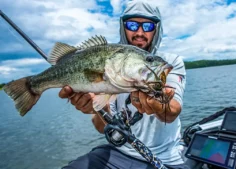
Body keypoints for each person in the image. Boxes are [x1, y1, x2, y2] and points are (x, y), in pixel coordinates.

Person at [60, 1, 187, 169]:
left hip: (164, 158)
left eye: (148, 26)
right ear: (123, 27)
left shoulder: (170, 62)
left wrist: (160, 104)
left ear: (156, 29)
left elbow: (172, 112)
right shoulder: (112, 65)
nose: (140, 32)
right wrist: (98, 109)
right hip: (119, 152)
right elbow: (100, 127)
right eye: (132, 25)